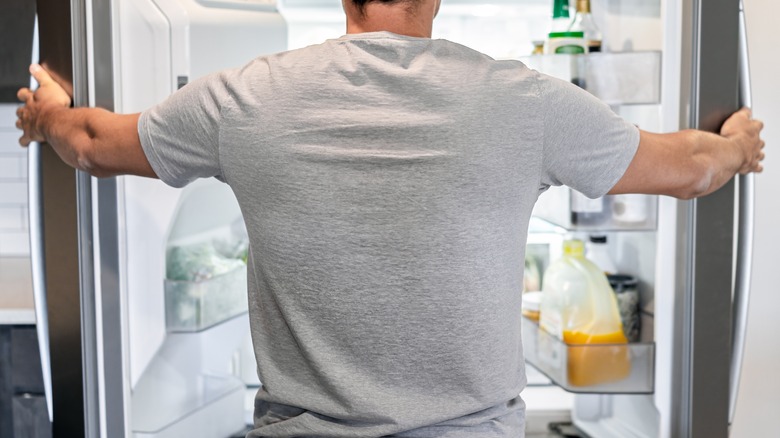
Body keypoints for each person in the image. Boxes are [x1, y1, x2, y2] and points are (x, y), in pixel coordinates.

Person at [15, 0, 765, 436]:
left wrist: (47, 114)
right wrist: (736, 147)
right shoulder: (527, 103)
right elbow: (689, 167)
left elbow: (91, 144)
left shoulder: (244, 98)